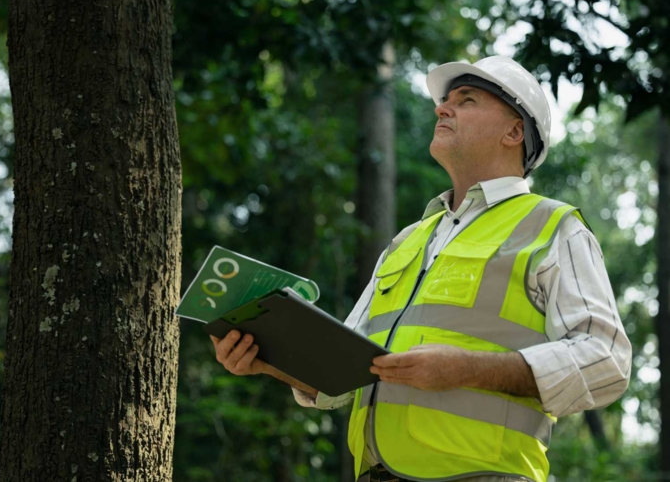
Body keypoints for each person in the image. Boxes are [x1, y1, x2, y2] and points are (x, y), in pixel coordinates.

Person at [210, 56, 631, 482]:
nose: (441, 109)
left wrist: (469, 369)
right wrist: (271, 360)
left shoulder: (554, 228)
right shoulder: (407, 241)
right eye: (445, 101)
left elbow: (607, 360)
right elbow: (344, 374)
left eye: (466, 101)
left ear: (514, 131)